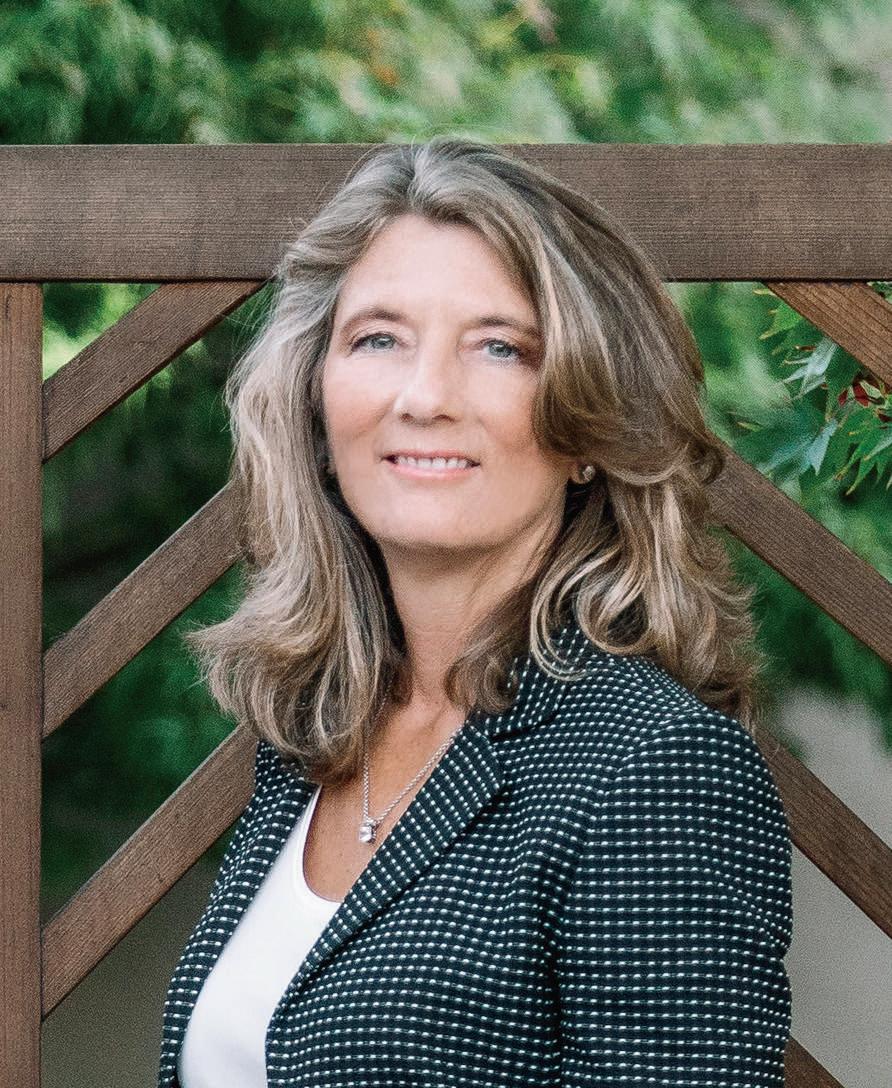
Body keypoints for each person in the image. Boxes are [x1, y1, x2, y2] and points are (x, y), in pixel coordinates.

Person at [157, 136, 793, 1088]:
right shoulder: (318, 730)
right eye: (379, 338)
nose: (425, 397)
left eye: (500, 347)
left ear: (590, 426)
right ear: (315, 404)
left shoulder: (656, 769)